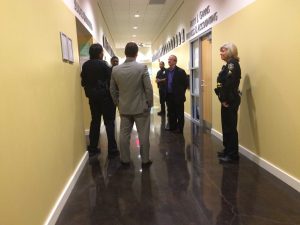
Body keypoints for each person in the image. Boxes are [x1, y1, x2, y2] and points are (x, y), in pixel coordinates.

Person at [110, 42, 153, 168]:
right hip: (141, 108)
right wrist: (149, 104)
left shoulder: (115, 70)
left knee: (124, 135)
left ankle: (125, 160)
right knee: (143, 135)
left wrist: (117, 103)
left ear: (125, 53)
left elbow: (112, 90)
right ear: (136, 53)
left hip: (124, 108)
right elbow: (148, 89)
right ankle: (145, 161)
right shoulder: (142, 68)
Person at [81, 43, 119, 158]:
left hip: (93, 98)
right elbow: (111, 81)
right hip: (106, 98)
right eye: (102, 52)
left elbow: (83, 81)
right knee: (109, 123)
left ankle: (93, 147)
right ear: (99, 53)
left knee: (95, 121)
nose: (103, 54)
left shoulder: (85, 66)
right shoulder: (104, 65)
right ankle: (112, 149)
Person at [214, 43, 241, 163]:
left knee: (230, 127)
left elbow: (229, 84)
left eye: (223, 51)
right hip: (225, 99)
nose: (220, 53)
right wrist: (221, 97)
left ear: (230, 51)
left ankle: (232, 155)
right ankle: (227, 150)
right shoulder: (226, 66)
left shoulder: (232, 65)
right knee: (226, 126)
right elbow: (220, 83)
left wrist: (224, 99)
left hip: (230, 100)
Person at [165, 55, 188, 134]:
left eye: (170, 60)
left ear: (175, 61)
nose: (168, 61)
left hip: (178, 96)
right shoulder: (166, 71)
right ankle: (172, 126)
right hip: (169, 96)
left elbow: (185, 84)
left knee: (179, 113)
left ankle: (180, 129)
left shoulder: (181, 71)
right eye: (168, 60)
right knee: (171, 112)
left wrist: (181, 93)